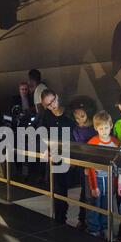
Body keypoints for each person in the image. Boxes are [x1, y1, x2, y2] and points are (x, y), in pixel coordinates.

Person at [41, 89, 75, 224]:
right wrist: (46, 149)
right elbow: (43, 133)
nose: (53, 105)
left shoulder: (69, 113)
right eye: (49, 104)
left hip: (71, 153)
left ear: (57, 97)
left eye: (53, 100)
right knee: (58, 187)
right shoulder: (46, 115)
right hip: (55, 156)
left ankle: (84, 220)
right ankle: (60, 216)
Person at [86, 111, 119, 238]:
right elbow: (91, 166)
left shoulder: (116, 143)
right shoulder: (93, 142)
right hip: (98, 178)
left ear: (110, 126)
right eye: (101, 128)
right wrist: (94, 186)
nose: (104, 131)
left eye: (106, 127)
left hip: (110, 179)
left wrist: (115, 184)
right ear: (96, 128)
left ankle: (106, 227)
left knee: (107, 205)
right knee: (95, 204)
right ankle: (93, 228)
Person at [72, 104, 97, 230]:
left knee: (95, 193)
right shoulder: (76, 130)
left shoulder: (95, 128)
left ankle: (95, 222)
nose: (79, 120)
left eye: (82, 116)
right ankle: (82, 220)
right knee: (84, 193)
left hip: (95, 164)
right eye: (76, 117)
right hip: (83, 165)